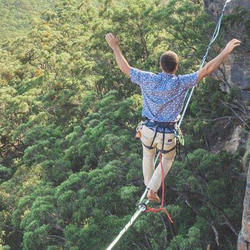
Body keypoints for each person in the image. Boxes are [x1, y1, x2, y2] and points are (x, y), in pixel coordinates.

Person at [105, 33, 241, 203]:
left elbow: (125, 68)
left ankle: (149, 186)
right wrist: (225, 51)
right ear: (176, 67)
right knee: (167, 160)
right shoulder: (181, 82)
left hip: (147, 129)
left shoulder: (148, 78)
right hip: (167, 133)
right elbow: (207, 69)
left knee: (148, 155)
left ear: (161, 66)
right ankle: (151, 189)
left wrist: (115, 47)